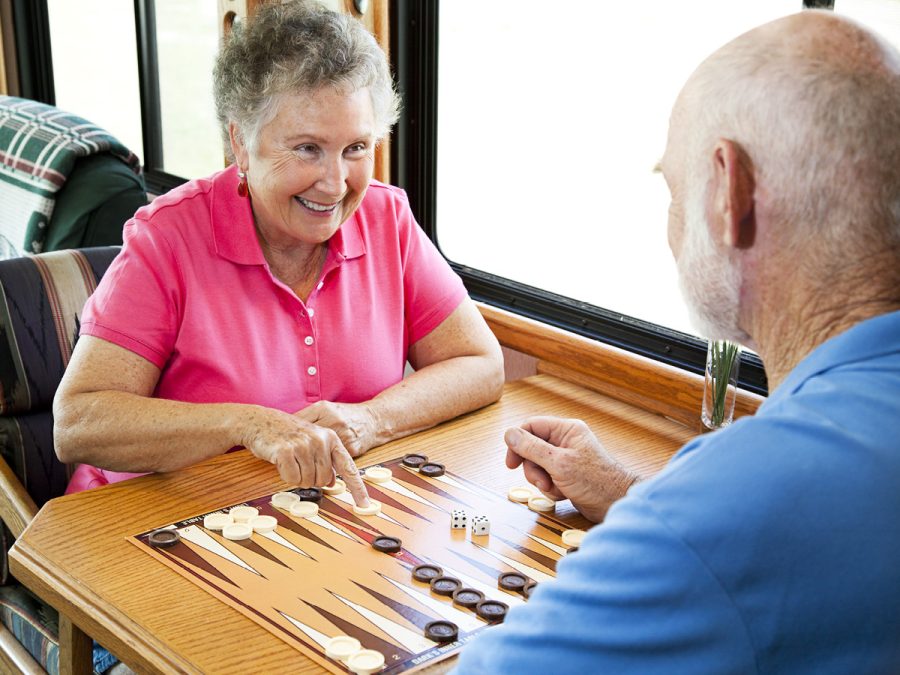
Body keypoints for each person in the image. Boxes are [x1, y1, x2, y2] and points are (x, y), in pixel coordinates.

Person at [456, 10, 900, 674]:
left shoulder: (739, 499)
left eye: (673, 187)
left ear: (729, 191)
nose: (669, 222)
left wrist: (673, 522)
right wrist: (625, 491)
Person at [52, 1, 504, 506]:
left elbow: (479, 363)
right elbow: (78, 423)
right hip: (151, 524)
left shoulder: (386, 218)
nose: (335, 184)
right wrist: (247, 424)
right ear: (241, 143)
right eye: (308, 148)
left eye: (356, 148)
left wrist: (372, 419)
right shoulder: (166, 239)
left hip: (307, 512)